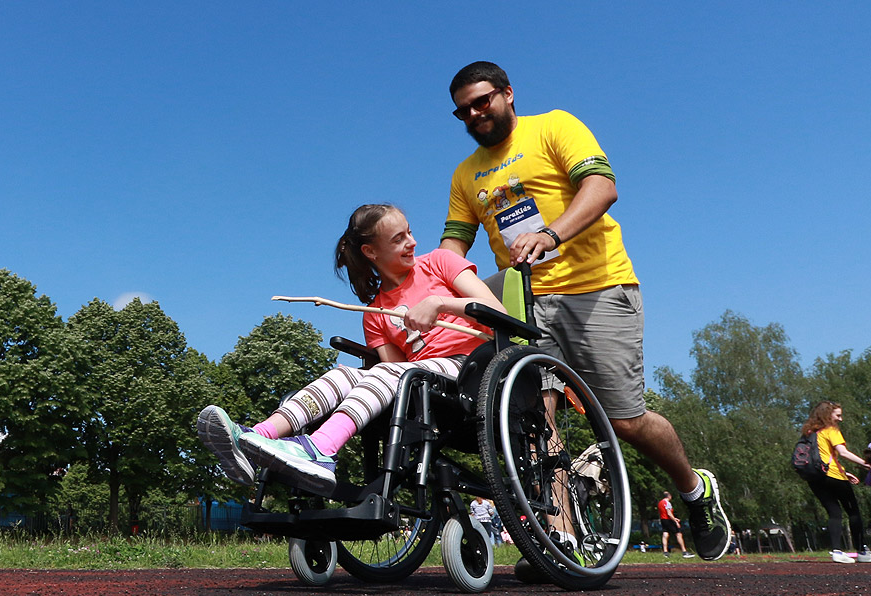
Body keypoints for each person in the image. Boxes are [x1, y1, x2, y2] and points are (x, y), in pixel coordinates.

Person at [440, 61, 730, 562]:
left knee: (625, 421)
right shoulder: (465, 174)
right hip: (523, 301)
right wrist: (421, 286)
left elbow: (602, 187)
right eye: (462, 110)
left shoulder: (554, 126)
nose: (473, 114)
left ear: (508, 93)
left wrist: (550, 234)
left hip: (596, 289)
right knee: (535, 418)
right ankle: (561, 541)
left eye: (481, 101)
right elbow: (452, 248)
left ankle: (694, 489)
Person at [196, 203, 505, 494]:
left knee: (386, 373)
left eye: (409, 232)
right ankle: (255, 438)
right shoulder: (376, 312)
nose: (412, 242)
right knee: (342, 376)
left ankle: (321, 449)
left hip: (472, 368)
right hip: (425, 386)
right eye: (399, 239)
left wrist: (439, 302)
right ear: (371, 252)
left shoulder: (439, 262)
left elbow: (496, 310)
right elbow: (395, 373)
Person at [799, 401, 871, 564]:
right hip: (834, 476)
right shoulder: (831, 430)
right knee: (854, 512)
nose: (840, 419)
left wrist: (845, 472)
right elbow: (842, 453)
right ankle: (862, 551)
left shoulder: (809, 432)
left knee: (834, 513)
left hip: (815, 478)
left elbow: (821, 456)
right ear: (828, 415)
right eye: (838, 415)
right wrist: (867, 464)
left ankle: (836, 551)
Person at [657, 491, 695, 558]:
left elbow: (664, 513)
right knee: (678, 534)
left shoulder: (660, 503)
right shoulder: (667, 503)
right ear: (669, 496)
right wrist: (675, 521)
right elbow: (669, 513)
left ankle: (665, 552)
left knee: (665, 534)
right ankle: (684, 551)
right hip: (669, 520)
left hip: (663, 520)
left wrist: (674, 518)